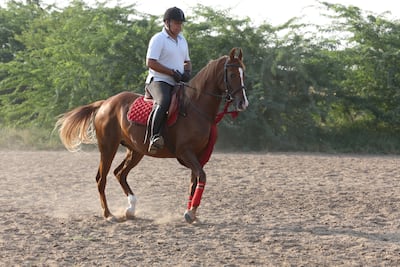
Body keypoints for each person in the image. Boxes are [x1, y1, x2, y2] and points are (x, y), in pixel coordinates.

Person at [145, 6, 192, 154]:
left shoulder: (182, 40)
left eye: (181, 23)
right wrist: (171, 72)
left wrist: (187, 72)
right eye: (177, 23)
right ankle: (154, 137)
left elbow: (187, 61)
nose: (180, 26)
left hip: (177, 82)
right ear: (167, 22)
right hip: (158, 80)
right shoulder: (158, 39)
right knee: (164, 101)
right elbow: (151, 62)